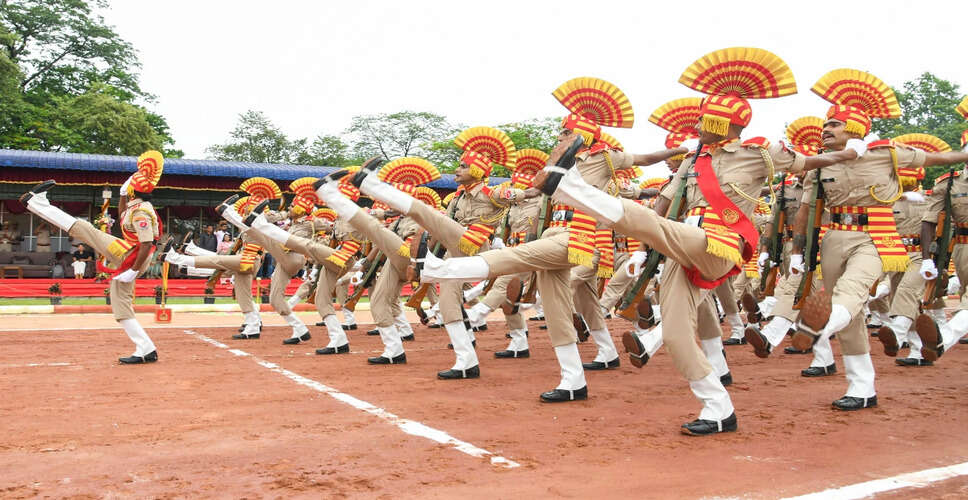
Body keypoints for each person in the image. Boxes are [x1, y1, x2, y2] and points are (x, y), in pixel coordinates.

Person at [21, 150, 164, 364]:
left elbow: (146, 243)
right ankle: (146, 348)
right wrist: (123, 191)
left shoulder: (142, 211)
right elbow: (123, 211)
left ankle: (37, 204)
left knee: (85, 230)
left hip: (131, 257)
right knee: (119, 302)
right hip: (128, 253)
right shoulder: (136, 206)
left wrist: (132, 270)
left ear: (135, 193)